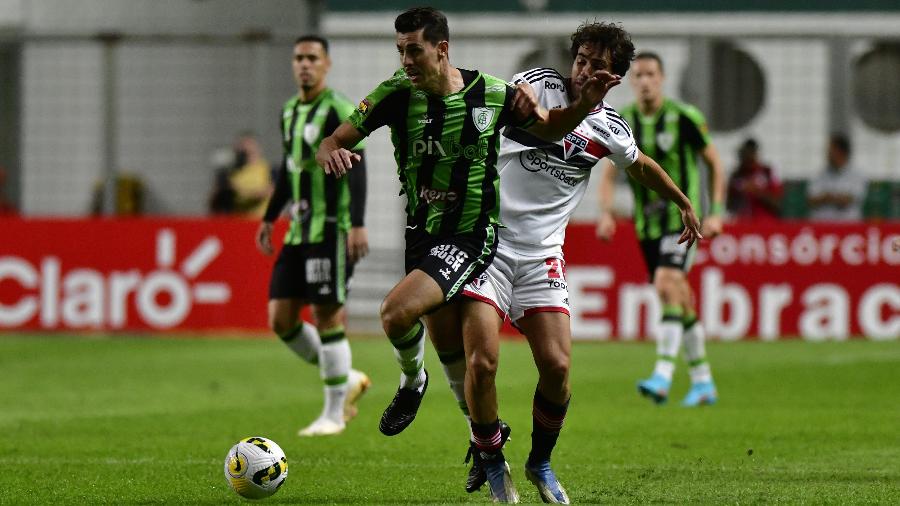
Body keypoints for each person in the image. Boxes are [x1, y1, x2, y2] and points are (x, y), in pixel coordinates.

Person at [316, 7, 620, 502]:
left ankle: (416, 386)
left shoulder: (494, 94)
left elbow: (548, 129)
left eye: (414, 49)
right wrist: (330, 150)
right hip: (423, 235)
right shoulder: (396, 94)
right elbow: (336, 137)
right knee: (459, 360)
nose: (406, 60)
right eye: (400, 50)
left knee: (396, 314)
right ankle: (483, 441)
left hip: (472, 237)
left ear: (442, 48)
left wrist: (584, 104)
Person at [429, 23, 701, 503]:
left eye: (597, 64)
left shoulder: (611, 128)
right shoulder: (538, 85)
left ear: (615, 76)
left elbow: (639, 165)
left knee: (556, 367)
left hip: (541, 258)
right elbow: (532, 119)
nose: (584, 69)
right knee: (483, 362)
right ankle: (493, 461)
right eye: (581, 59)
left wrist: (682, 200)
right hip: (488, 244)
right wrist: (555, 102)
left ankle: (540, 462)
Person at [256, 35, 371, 437]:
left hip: (331, 229)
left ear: (326, 65)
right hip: (299, 230)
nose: (304, 65)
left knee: (326, 316)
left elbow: (356, 165)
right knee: (281, 319)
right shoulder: (289, 111)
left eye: (312, 58)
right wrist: (271, 217)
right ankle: (350, 377)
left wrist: (357, 222)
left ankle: (335, 412)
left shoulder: (338, 108)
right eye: (298, 58)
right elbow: (291, 171)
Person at [596, 52, 725, 408]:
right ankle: (703, 382)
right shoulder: (624, 121)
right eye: (638, 75)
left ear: (662, 78)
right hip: (647, 227)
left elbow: (714, 163)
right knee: (678, 296)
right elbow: (607, 173)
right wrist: (606, 212)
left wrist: (715, 212)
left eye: (651, 74)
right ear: (631, 80)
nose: (645, 81)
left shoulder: (684, 118)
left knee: (666, 284)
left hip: (683, 222)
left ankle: (663, 375)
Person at [807, 133, 866, 221]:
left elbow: (849, 200)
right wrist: (836, 197)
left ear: (841, 152)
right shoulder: (820, 174)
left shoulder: (857, 175)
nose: (827, 154)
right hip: (822, 226)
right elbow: (811, 199)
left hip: (848, 228)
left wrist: (827, 197)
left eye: (831, 150)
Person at [726, 138, 782, 220]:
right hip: (743, 225)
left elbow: (778, 203)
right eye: (744, 154)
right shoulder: (736, 176)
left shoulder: (767, 172)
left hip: (766, 225)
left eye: (750, 153)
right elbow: (729, 206)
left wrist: (756, 192)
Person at [231, 132, 273, 219]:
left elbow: (270, 191)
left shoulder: (267, 168)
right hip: (241, 220)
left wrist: (249, 193)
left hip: (262, 218)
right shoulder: (235, 172)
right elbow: (236, 193)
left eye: (249, 145)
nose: (247, 149)